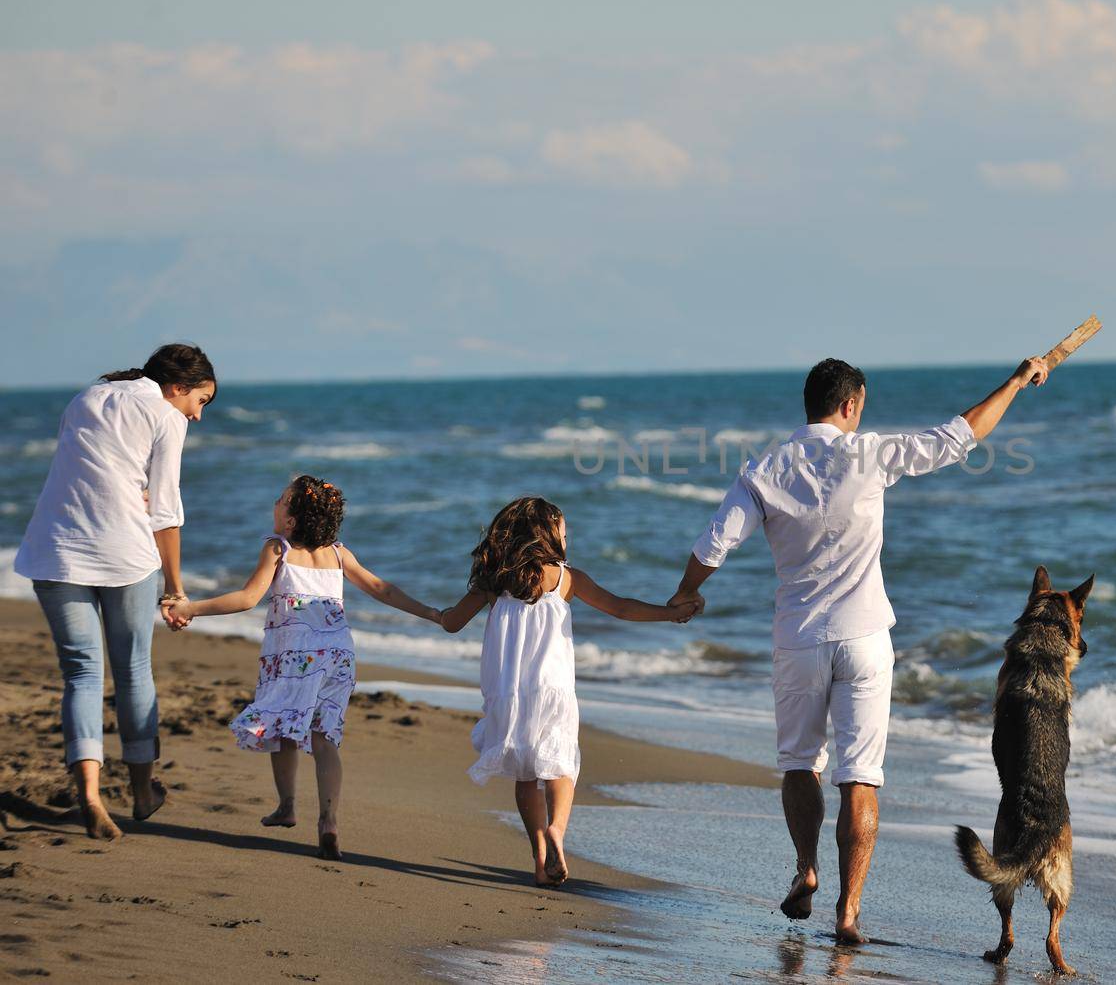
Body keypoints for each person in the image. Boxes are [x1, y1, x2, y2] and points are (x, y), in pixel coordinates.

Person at [669, 355, 1050, 943]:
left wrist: (686, 593)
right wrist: (1018, 382)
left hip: (797, 639)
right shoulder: (869, 454)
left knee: (799, 764)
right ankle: (848, 914)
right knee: (860, 778)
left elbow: (716, 541)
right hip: (865, 638)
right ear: (851, 404)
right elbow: (962, 433)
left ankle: (806, 869)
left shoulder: (765, 468)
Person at [162, 475, 438, 860]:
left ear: (290, 521)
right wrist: (432, 613)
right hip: (338, 655)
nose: (274, 503)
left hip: (293, 655)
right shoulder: (340, 553)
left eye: (280, 499)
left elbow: (247, 598)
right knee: (324, 736)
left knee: (281, 726)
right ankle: (328, 820)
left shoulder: (279, 549)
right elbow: (381, 589)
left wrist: (190, 608)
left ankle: (288, 805)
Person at [436, 496, 698, 886]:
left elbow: (453, 622)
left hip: (508, 691)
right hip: (553, 687)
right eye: (563, 528)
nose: (567, 534)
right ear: (547, 533)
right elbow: (621, 608)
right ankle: (557, 829)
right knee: (560, 763)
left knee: (526, 774)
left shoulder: (494, 580)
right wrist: (670, 612)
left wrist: (425, 612)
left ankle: (541, 860)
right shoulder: (565, 577)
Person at [13, 343, 217, 839]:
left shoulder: (88, 396)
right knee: (131, 669)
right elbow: (165, 512)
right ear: (178, 387)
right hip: (123, 554)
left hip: (54, 550)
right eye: (202, 401)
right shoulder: (166, 416)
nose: (198, 415)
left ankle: (89, 794)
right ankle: (143, 793)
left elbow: (89, 473)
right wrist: (174, 587)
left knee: (81, 673)